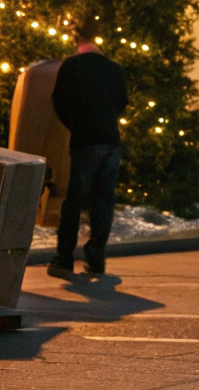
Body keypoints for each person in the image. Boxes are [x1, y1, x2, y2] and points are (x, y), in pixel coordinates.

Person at [47, 20, 127, 281]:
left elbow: (59, 100)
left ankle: (64, 258)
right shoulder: (114, 69)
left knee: (74, 201)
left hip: (86, 141)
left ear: (77, 44)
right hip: (111, 141)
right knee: (103, 201)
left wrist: (76, 125)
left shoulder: (71, 66)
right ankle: (96, 258)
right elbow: (121, 103)